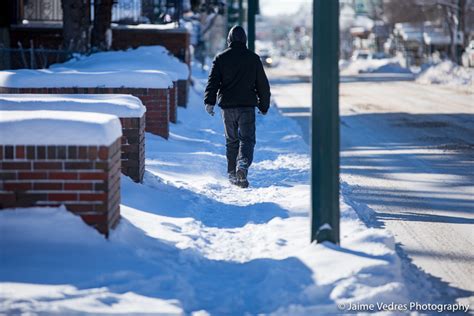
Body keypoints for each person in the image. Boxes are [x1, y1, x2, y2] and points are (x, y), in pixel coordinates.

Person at [204, 25, 271, 188]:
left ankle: (232, 173)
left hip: (227, 107)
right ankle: (242, 165)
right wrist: (264, 105)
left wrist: (209, 101)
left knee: (231, 140)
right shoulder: (253, 58)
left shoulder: (221, 58)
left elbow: (213, 82)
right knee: (247, 139)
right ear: (245, 40)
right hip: (247, 106)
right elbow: (262, 85)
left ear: (229, 40)